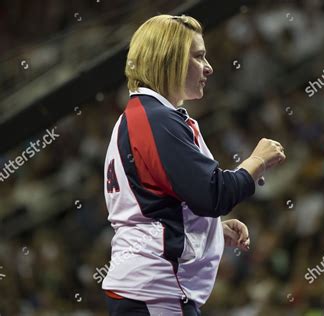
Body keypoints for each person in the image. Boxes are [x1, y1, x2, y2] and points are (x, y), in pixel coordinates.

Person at [101, 15, 285, 316]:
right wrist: (257, 161)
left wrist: (210, 230)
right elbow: (214, 194)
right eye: (198, 56)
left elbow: (154, 206)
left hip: (145, 290)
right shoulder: (157, 120)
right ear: (168, 59)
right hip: (155, 292)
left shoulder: (141, 116)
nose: (209, 67)